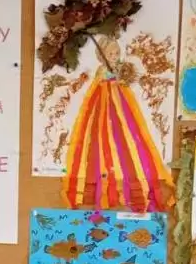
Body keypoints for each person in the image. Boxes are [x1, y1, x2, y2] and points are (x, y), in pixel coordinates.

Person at [62, 36, 171, 213]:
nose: (114, 56)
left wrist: (122, 77)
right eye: (110, 54)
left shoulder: (119, 68)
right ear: (101, 55)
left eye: (116, 53)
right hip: (104, 104)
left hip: (121, 104)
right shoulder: (102, 70)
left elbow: (125, 81)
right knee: (101, 135)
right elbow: (96, 86)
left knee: (127, 130)